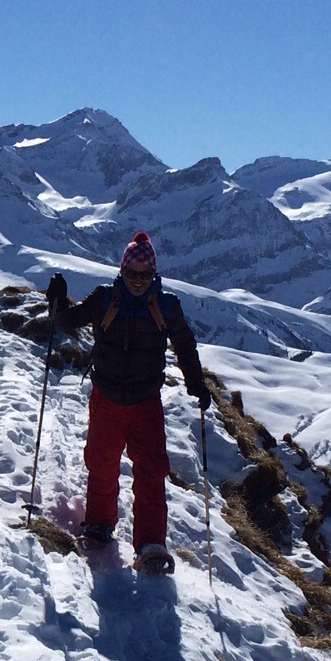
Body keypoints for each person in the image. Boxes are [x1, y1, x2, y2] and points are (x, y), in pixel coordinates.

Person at [47, 231, 210, 561]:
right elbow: (68, 321)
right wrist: (58, 302)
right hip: (108, 396)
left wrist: (197, 384)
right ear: (121, 271)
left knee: (150, 470)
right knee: (102, 462)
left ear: (154, 274)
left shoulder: (166, 306)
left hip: (144, 400)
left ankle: (151, 544)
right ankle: (99, 524)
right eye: (132, 273)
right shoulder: (104, 299)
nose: (138, 280)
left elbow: (185, 346)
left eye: (145, 274)